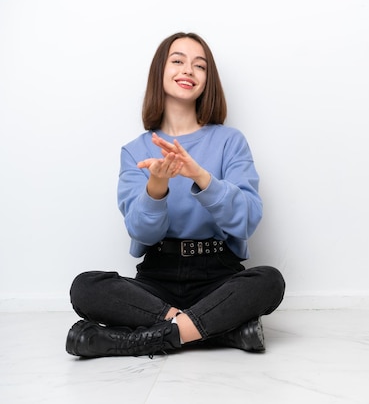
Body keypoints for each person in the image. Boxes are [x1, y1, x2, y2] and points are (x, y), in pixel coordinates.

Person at [65, 32, 285, 358]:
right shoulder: (135, 151)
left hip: (217, 275)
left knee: (270, 281)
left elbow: (247, 221)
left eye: (200, 65)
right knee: (85, 287)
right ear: (160, 72)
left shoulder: (230, 141)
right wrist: (156, 186)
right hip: (158, 278)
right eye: (178, 61)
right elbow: (141, 232)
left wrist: (200, 175)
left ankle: (139, 340)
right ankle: (219, 330)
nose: (188, 71)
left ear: (208, 80)